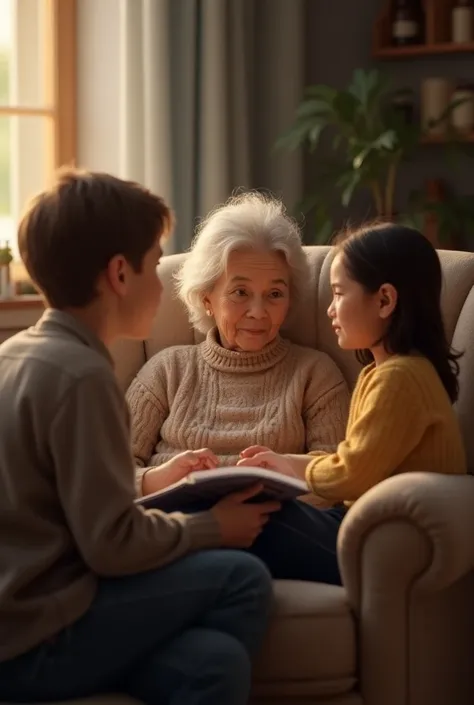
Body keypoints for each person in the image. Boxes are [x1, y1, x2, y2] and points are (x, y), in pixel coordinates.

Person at [0, 168, 280, 705]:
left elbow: (69, 508)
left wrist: (150, 481)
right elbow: (111, 546)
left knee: (213, 667)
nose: (163, 284)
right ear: (119, 274)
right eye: (155, 264)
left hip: (25, 618)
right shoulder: (81, 376)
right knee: (242, 578)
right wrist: (211, 528)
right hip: (38, 634)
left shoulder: (18, 354)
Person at [237, 223, 467, 585]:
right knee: (247, 513)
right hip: (358, 529)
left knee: (252, 516)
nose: (330, 309)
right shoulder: (382, 373)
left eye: (339, 294)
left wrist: (292, 472)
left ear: (385, 300)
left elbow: (353, 474)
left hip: (374, 544)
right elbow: (353, 457)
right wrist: (284, 463)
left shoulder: (401, 378)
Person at [126, 192, 350, 498]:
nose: (258, 312)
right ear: (207, 299)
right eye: (240, 292)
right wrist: (159, 479)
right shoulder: (166, 371)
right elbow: (110, 476)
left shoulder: (315, 374)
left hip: (276, 528)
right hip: (178, 527)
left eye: (274, 294)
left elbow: (337, 480)